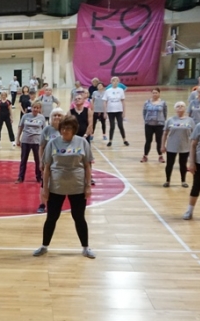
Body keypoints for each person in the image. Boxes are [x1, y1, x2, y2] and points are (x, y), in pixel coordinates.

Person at [33, 115, 95, 259]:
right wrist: (45, 188)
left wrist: (88, 186)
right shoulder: (52, 143)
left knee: (79, 217)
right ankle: (44, 246)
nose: (65, 131)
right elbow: (47, 168)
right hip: (56, 187)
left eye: (68, 128)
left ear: (74, 129)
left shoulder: (82, 142)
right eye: (63, 128)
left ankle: (86, 248)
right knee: (51, 217)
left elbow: (87, 166)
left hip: (77, 187)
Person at [161, 102, 194, 188]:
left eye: (182, 106)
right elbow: (165, 133)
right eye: (178, 106)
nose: (180, 108)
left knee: (183, 164)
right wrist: (162, 145)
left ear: (185, 108)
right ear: (175, 109)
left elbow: (194, 134)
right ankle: (167, 181)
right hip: (172, 146)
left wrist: (194, 146)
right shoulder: (170, 120)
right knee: (169, 164)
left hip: (185, 146)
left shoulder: (190, 120)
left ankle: (183, 181)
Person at [17, 101, 46, 184]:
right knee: (23, 160)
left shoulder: (42, 117)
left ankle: (39, 177)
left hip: (37, 142)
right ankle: (20, 177)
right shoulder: (25, 116)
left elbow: (44, 130)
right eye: (34, 107)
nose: (35, 109)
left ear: (40, 109)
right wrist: (18, 139)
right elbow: (20, 127)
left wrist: (45, 142)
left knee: (38, 160)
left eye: (37, 108)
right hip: (25, 141)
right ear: (31, 108)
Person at [142, 89, 168, 163]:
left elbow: (165, 113)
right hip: (149, 125)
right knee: (148, 141)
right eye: (153, 93)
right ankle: (145, 156)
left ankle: (160, 156)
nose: (154, 94)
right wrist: (147, 120)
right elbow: (144, 112)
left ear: (159, 93)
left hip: (159, 125)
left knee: (159, 141)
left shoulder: (163, 103)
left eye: (156, 93)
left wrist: (162, 121)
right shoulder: (147, 102)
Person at [104, 77, 129, 147]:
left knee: (120, 125)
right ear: (111, 82)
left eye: (117, 81)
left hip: (119, 110)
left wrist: (124, 112)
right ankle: (110, 141)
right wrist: (105, 112)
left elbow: (123, 101)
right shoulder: (107, 91)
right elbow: (105, 101)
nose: (115, 82)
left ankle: (124, 140)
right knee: (112, 126)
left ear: (118, 82)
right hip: (110, 111)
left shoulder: (121, 90)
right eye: (113, 81)